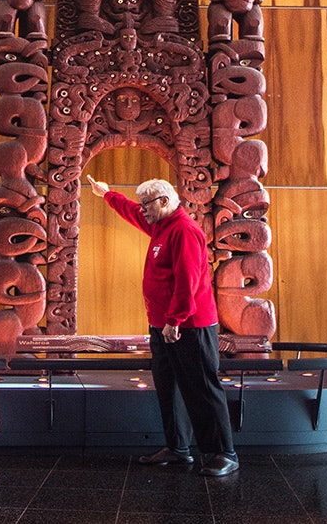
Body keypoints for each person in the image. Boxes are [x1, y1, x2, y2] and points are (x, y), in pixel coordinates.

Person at [86, 175, 239, 476]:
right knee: (169, 388)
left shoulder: (184, 231)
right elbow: (132, 212)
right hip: (163, 326)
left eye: (147, 205)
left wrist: (175, 320)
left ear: (165, 202)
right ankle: (179, 448)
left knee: (203, 388)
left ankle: (225, 453)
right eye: (143, 205)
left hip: (188, 326)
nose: (142, 210)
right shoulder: (161, 225)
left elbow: (188, 280)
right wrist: (107, 194)